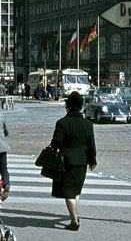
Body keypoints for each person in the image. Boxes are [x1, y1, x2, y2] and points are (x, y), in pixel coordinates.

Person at [50, 91, 97, 231]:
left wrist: (53, 147)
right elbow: (91, 145)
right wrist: (92, 160)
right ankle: (75, 216)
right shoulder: (87, 124)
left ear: (68, 106)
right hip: (82, 161)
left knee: (69, 192)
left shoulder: (62, 122)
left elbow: (56, 142)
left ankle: (74, 221)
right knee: (76, 191)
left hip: (67, 161)